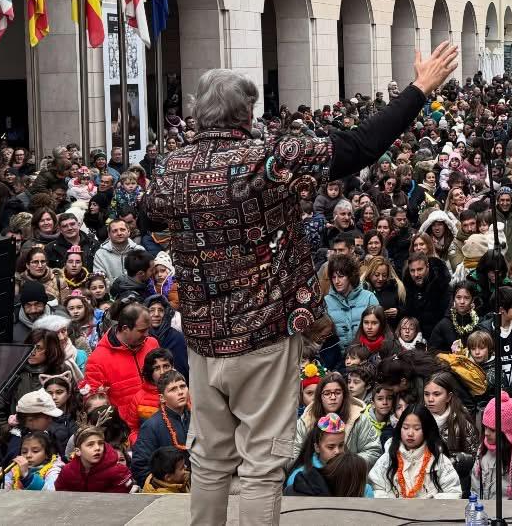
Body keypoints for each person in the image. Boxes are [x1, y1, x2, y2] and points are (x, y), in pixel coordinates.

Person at [143, 45, 457, 526]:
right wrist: (419, 89)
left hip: (203, 343)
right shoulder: (266, 159)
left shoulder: (171, 167)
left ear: (199, 112)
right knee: (261, 463)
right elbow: (361, 146)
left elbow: (148, 217)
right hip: (263, 337)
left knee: (208, 459)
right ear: (247, 113)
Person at [77, 302, 159, 435]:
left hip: (159, 423)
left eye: (148, 329)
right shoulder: (97, 359)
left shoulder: (152, 344)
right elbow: (95, 407)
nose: (147, 334)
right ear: (125, 328)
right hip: (125, 433)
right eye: (142, 330)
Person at [369, 405, 462, 498]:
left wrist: (431, 502)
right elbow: (376, 488)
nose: (410, 433)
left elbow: (453, 493)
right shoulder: (388, 458)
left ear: (426, 430)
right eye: (405, 428)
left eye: (417, 429)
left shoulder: (439, 460)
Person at [130, 371, 190, 486]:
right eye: (173, 389)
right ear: (162, 398)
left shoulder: (197, 418)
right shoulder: (151, 426)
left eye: (183, 386)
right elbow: (140, 466)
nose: (180, 392)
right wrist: (163, 488)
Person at [55, 424, 133, 492]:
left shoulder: (118, 471)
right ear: (78, 451)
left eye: (100, 443)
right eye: (90, 444)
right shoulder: (67, 472)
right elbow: (61, 495)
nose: (97, 448)